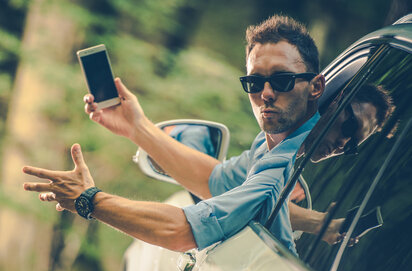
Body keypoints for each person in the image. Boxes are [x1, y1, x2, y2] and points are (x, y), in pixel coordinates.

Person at [22, 15, 325, 254]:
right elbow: (214, 182)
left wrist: (89, 199)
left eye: (282, 80)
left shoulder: (284, 163)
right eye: (254, 82)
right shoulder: (271, 144)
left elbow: (181, 231)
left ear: (315, 86)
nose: (266, 94)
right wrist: (136, 127)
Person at [289, 83, 395, 246]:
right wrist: (322, 223)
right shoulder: (280, 138)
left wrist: (323, 225)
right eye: (349, 127)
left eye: (351, 145)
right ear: (336, 100)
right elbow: (262, 201)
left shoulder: (290, 156)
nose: (341, 144)